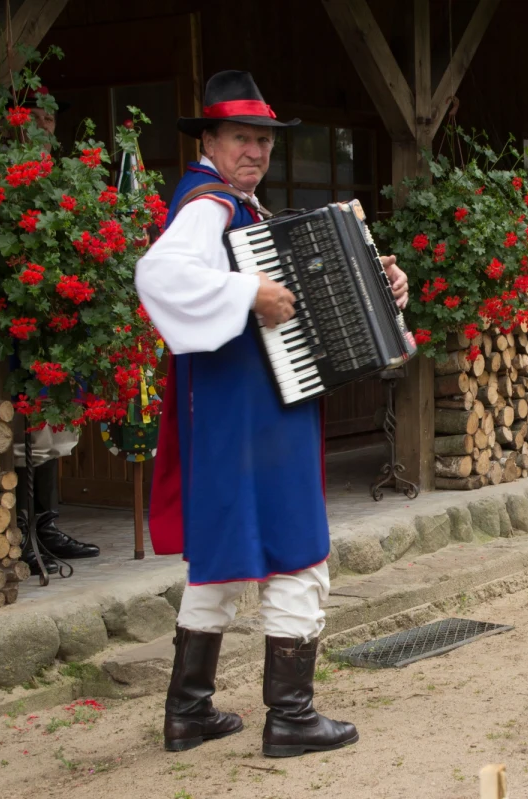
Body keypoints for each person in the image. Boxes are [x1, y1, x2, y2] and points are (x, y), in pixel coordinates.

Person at [135, 70, 409, 757]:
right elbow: (159, 277)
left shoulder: (239, 208)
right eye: (241, 139)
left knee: (222, 559)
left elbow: (302, 296)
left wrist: (380, 282)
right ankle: (291, 714)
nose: (255, 152)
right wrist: (248, 291)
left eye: (263, 141)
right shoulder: (208, 205)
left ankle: (188, 711)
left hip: (244, 409)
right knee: (296, 549)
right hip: (251, 414)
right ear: (210, 141)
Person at [9, 86, 99, 576]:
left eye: (50, 120)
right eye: (37, 118)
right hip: (26, 320)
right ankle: (22, 529)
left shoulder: (64, 180)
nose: (46, 128)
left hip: (61, 323)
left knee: (58, 427)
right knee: (30, 432)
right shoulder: (8, 179)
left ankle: (45, 525)